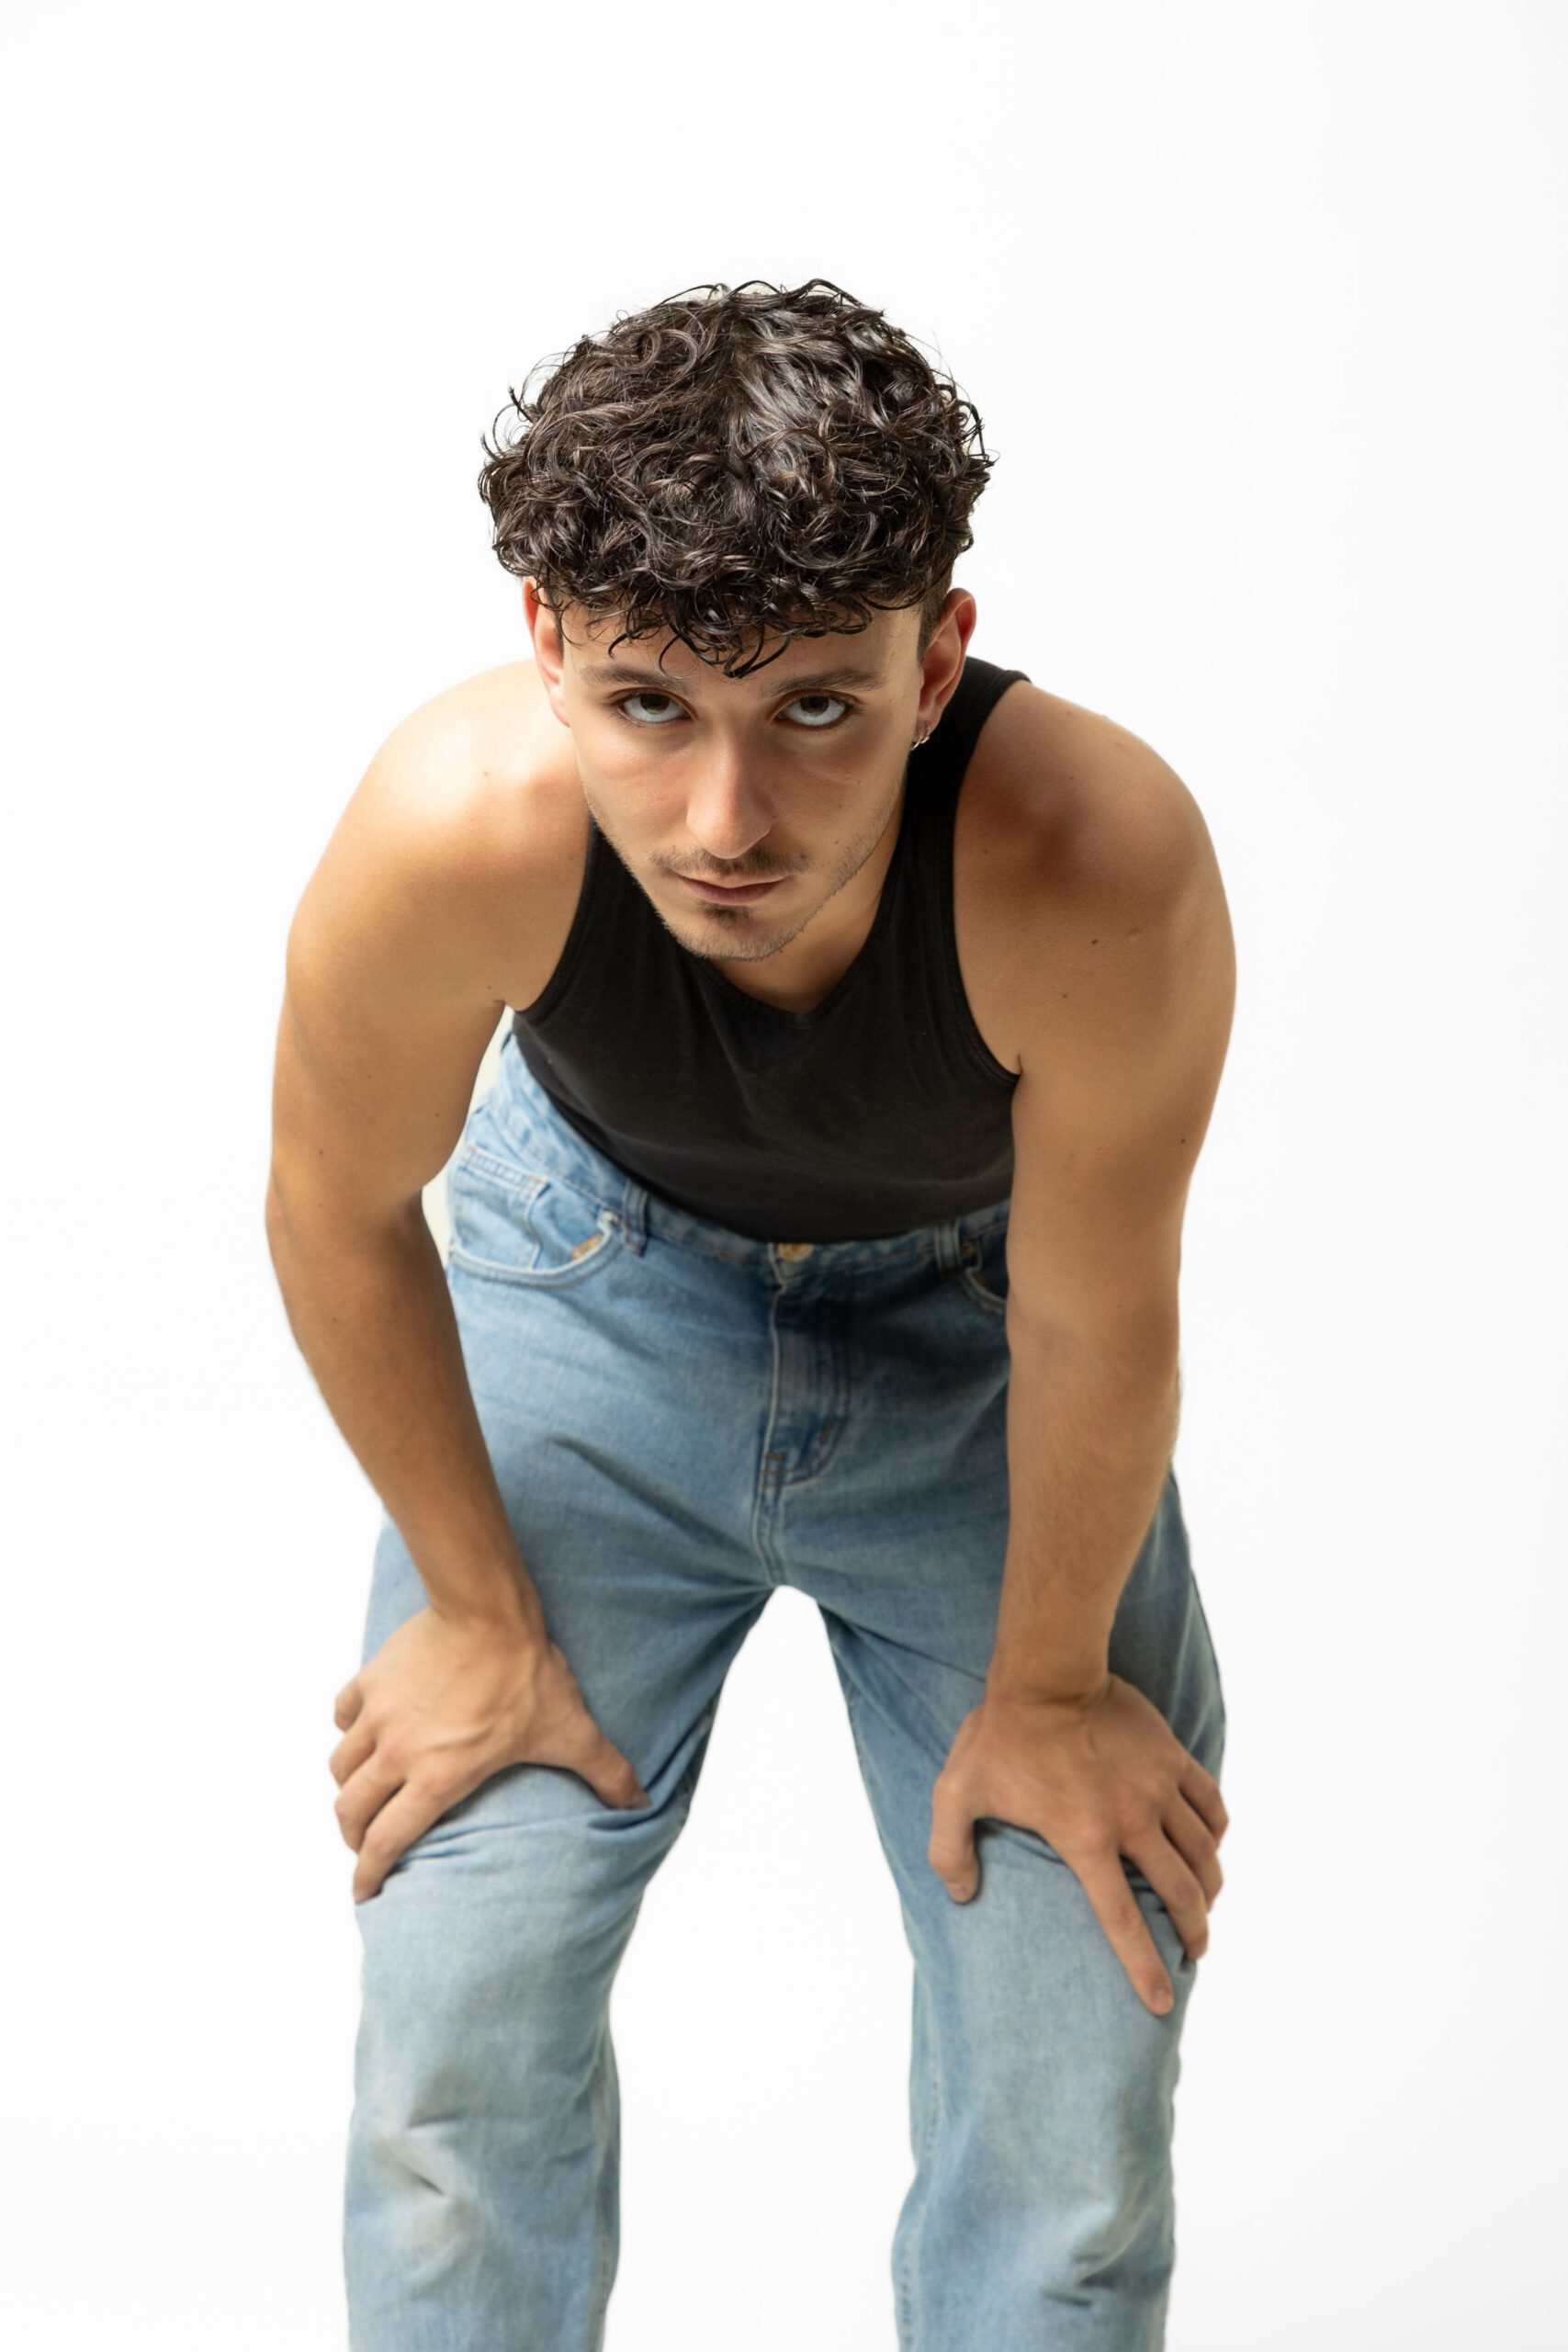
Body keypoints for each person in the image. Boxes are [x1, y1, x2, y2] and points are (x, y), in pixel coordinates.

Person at [265, 277, 1235, 2351]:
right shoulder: (455, 829)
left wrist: (1052, 1690)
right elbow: (334, 1208)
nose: (723, 825)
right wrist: (475, 1612)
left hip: (979, 1355)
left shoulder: (1094, 862)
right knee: (452, 2050)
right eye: (647, 706)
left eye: (811, 711)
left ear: (933, 658)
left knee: (1072, 2120)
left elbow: (1097, 1319)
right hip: (590, 1301)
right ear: (547, 643)